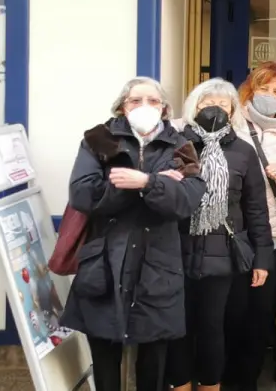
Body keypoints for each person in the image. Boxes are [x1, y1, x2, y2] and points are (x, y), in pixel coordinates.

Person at [60, 77, 206, 391]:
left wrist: (146, 183)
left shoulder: (181, 145)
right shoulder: (99, 139)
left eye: (153, 101)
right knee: (105, 362)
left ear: (164, 108)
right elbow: (82, 194)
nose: (144, 106)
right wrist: (151, 184)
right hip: (104, 263)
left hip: (158, 267)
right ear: (122, 107)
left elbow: (188, 199)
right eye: (135, 100)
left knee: (153, 365)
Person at [167, 79, 274, 391]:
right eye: (206, 103)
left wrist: (262, 258)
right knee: (178, 328)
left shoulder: (243, 152)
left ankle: (211, 385)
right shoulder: (176, 146)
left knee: (213, 328)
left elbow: (256, 209)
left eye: (222, 104)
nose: (214, 108)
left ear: (232, 111)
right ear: (194, 107)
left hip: (223, 256)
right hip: (176, 252)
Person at [224, 62, 276, 388]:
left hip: (270, 239)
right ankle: (224, 379)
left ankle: (247, 381)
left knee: (259, 318)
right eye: (264, 88)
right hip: (230, 235)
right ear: (251, 90)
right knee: (229, 315)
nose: (270, 96)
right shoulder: (231, 124)